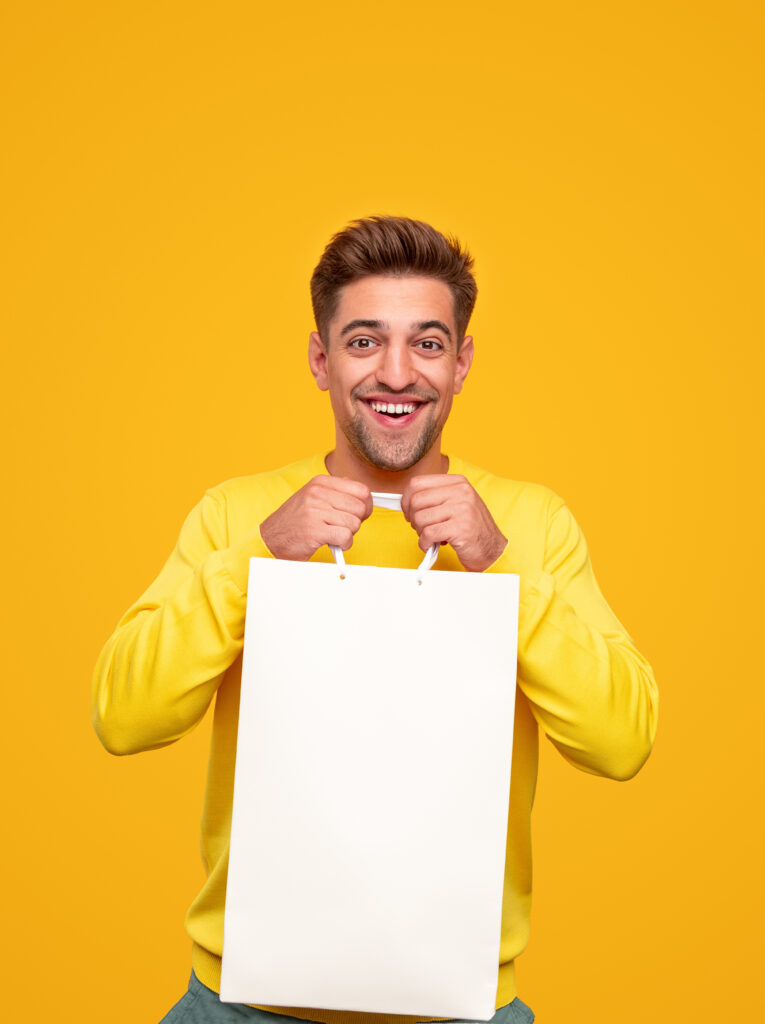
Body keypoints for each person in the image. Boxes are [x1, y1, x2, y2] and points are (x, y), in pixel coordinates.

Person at [92, 216, 658, 1024]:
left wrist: (499, 571)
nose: (396, 373)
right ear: (321, 360)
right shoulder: (238, 515)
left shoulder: (530, 525)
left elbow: (621, 743)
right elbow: (123, 718)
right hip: (240, 1002)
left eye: (427, 344)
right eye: (364, 342)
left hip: (460, 1005)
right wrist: (257, 560)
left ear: (460, 364)